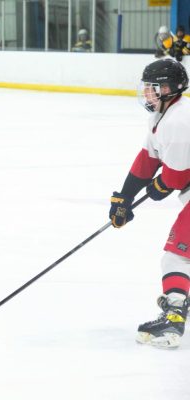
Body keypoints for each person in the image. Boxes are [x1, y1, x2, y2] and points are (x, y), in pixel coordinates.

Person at [109, 58, 190, 348]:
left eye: (152, 88)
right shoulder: (160, 118)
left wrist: (160, 186)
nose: (147, 94)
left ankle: (175, 316)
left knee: (177, 256)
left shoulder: (181, 119)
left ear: (168, 88)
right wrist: (124, 198)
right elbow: (147, 160)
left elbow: (176, 177)